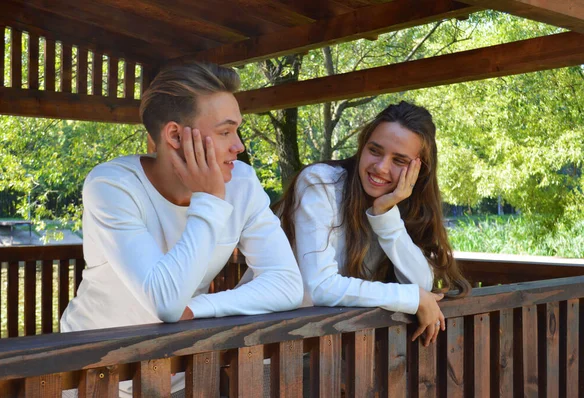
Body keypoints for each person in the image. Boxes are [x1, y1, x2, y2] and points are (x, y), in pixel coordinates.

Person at [60, 62, 303, 396]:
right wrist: (210, 200)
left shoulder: (242, 183)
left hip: (178, 375)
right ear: (175, 135)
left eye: (237, 131)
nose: (239, 146)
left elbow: (287, 283)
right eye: (225, 132)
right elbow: (165, 302)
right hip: (93, 375)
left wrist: (200, 309)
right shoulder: (112, 184)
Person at [275, 101, 471, 346]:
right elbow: (319, 286)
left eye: (399, 161)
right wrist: (411, 297)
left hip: (327, 350)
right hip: (266, 345)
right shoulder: (320, 183)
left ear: (419, 170)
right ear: (362, 146)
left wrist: (385, 215)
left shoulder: (403, 205)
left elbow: (420, 284)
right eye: (375, 151)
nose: (381, 167)